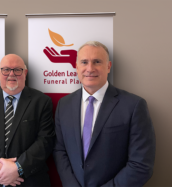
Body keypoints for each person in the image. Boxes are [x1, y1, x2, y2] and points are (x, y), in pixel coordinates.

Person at [53, 41, 155, 187]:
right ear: (76, 67)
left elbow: (141, 164)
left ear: (108, 66)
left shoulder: (133, 105)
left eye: (97, 62)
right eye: (84, 62)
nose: (90, 68)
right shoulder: (64, 105)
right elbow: (60, 150)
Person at [0, 54, 55, 187]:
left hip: (28, 180)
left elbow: (45, 140)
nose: (11, 74)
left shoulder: (41, 101)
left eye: (17, 70)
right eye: (6, 69)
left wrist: (18, 168)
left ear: (25, 73)